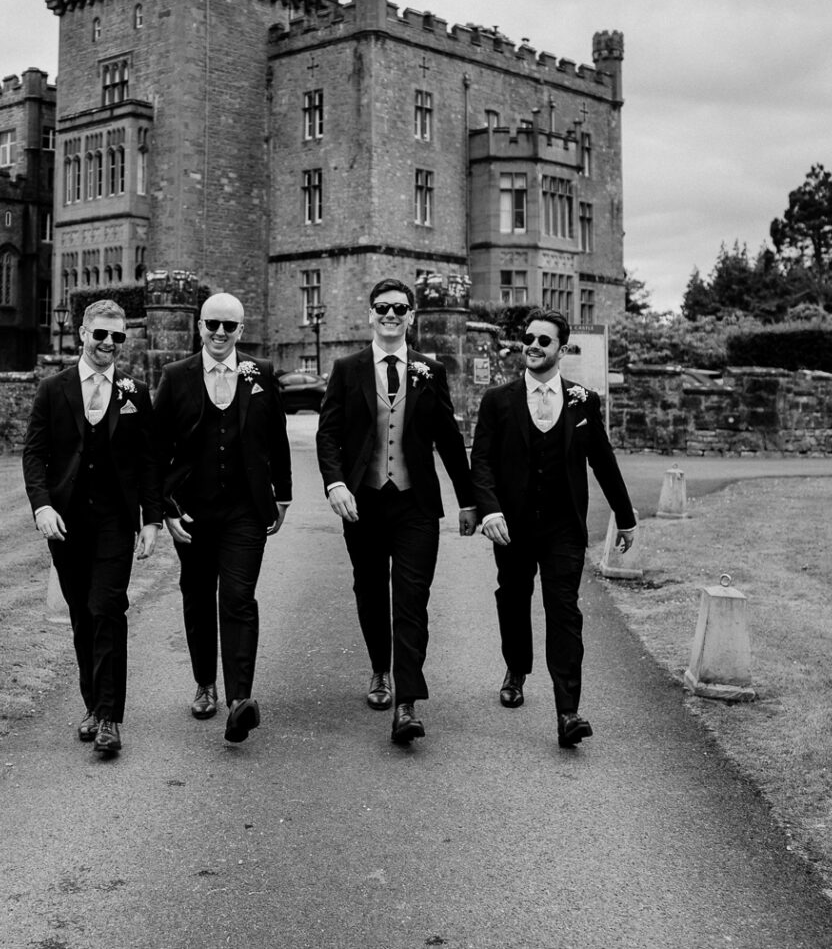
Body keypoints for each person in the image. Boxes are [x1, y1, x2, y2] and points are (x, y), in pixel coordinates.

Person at [467, 306, 637, 748]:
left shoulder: (583, 400)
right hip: (512, 525)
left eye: (544, 340)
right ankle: (516, 668)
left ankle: (568, 712)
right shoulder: (498, 400)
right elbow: (480, 461)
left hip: (563, 526)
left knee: (564, 610)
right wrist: (489, 510)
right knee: (513, 598)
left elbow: (603, 461)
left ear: (562, 348)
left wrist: (626, 517)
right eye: (529, 338)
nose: (534, 346)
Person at [316, 278, 476, 744]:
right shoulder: (347, 368)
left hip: (415, 504)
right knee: (369, 589)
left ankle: (406, 701)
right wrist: (335, 482)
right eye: (382, 308)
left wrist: (469, 501)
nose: (390, 315)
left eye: (399, 308)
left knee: (411, 598)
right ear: (370, 314)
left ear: (411, 316)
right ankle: (379, 671)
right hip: (362, 502)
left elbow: (448, 438)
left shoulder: (431, 370)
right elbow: (329, 434)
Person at [22, 299, 161, 757]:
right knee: (82, 615)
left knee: (108, 610)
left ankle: (110, 719)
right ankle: (91, 704)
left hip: (115, 522)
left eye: (117, 337)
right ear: (83, 334)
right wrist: (42, 507)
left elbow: (148, 461)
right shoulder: (53, 389)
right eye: (100, 334)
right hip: (67, 522)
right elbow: (35, 456)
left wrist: (152, 519)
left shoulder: (135, 392)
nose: (108, 344)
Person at [151, 291, 292, 744]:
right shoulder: (176, 377)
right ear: (199, 325)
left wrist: (283, 496)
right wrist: (164, 510)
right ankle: (205, 684)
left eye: (229, 326)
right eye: (212, 323)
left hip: (246, 511)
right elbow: (156, 452)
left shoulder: (261, 373)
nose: (219, 333)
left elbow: (278, 438)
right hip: (191, 511)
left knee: (237, 597)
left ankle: (239, 700)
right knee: (197, 596)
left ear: (241, 330)